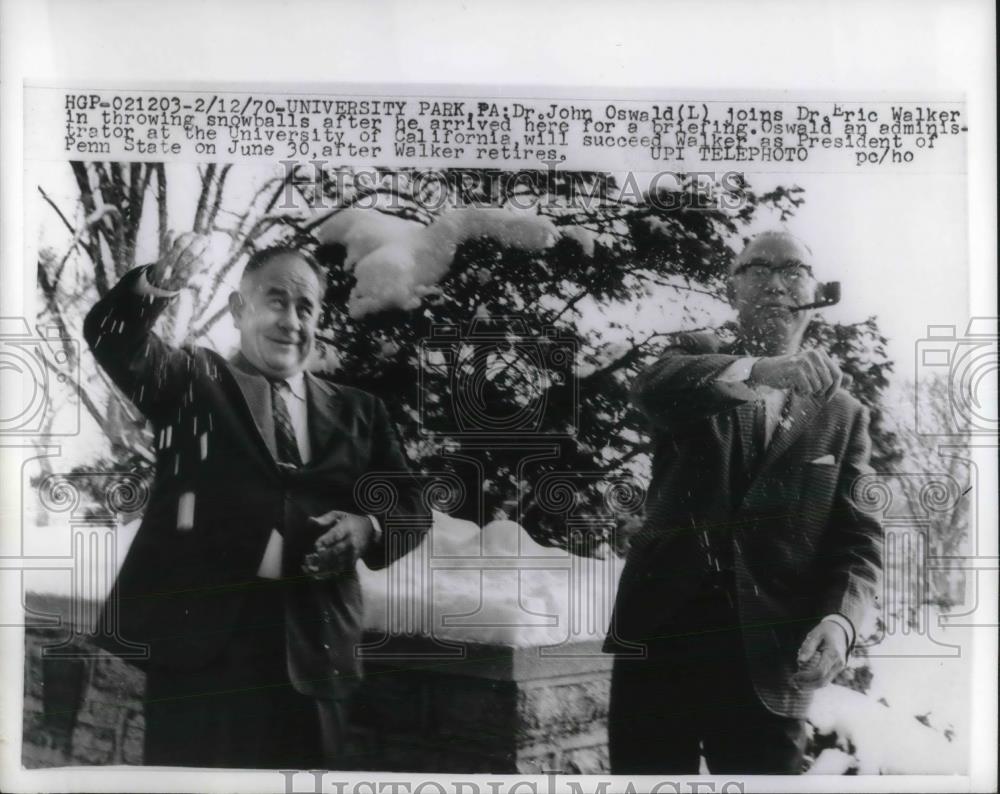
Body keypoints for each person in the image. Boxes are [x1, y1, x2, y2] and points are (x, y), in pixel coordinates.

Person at [84, 235, 430, 768]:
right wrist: (153, 289)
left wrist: (367, 528)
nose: (291, 320)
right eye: (276, 300)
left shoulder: (360, 412)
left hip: (316, 659)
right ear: (238, 308)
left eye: (305, 306)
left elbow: (412, 506)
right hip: (203, 659)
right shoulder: (190, 385)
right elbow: (111, 336)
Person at [604, 230, 883, 774]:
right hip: (662, 644)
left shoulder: (844, 414)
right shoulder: (693, 361)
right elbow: (652, 389)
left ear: (817, 292)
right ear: (733, 291)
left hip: (772, 662)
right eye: (758, 270)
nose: (776, 285)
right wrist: (757, 370)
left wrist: (840, 621)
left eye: (792, 271)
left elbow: (858, 537)